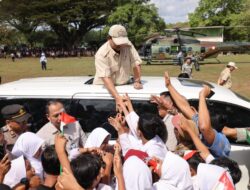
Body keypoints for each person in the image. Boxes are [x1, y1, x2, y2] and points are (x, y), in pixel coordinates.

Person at [93, 24, 143, 108]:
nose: (121, 45)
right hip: (104, 91)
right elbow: (106, 78)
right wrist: (117, 97)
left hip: (124, 85)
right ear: (109, 38)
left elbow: (136, 62)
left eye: (123, 41)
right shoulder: (101, 54)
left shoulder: (128, 45)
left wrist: (137, 80)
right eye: (118, 42)